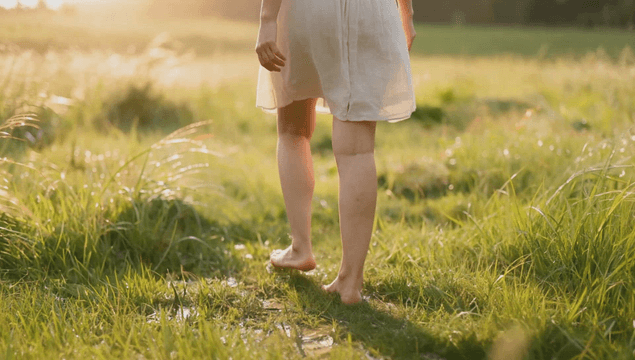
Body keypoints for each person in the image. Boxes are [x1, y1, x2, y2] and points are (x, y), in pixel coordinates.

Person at [255, 0, 416, 304]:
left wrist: (267, 19)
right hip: (373, 11)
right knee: (357, 152)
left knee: (293, 130)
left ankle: (301, 247)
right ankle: (350, 281)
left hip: (309, 11)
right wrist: (405, 13)